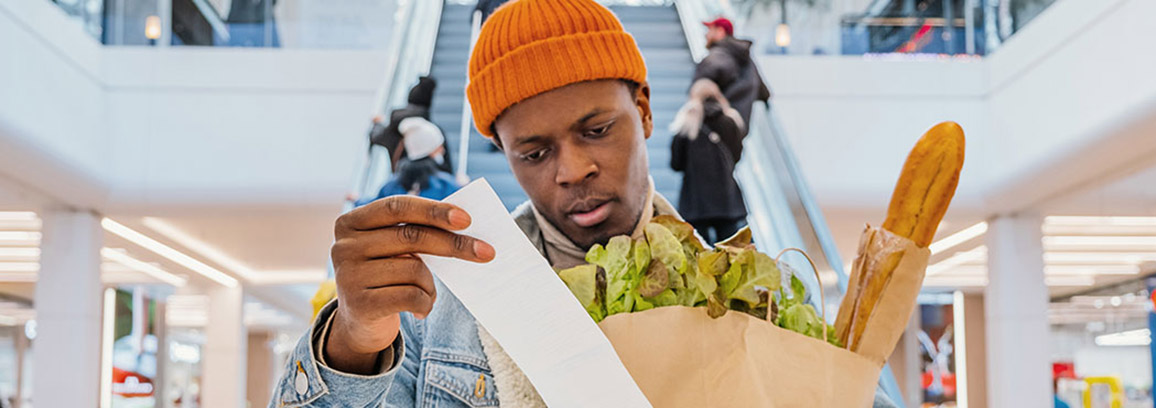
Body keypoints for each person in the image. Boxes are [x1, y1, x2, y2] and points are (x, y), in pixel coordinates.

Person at [271, 1, 899, 407]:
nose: (573, 171)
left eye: (597, 130)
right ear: (503, 152)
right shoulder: (434, 310)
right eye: (534, 153)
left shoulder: (760, 298)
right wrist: (351, 344)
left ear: (646, 111)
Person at [669, 78, 748, 245]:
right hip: (726, 198)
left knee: (699, 253)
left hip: (695, 200)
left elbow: (676, 163)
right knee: (731, 253)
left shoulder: (686, 123)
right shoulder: (731, 121)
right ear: (718, 94)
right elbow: (737, 157)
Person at [355, 117, 460, 206]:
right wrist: (463, 185)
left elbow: (374, 206)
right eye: (439, 147)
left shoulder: (392, 185)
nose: (443, 150)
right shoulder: (445, 185)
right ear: (430, 151)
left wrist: (357, 200)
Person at [694, 16, 771, 132]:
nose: (706, 35)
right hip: (739, 129)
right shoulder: (746, 60)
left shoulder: (716, 58)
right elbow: (763, 91)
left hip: (715, 130)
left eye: (710, 30)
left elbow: (699, 89)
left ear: (720, 31)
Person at [370, 76, 454, 174]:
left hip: (401, 182)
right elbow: (447, 169)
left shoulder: (394, 128)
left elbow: (376, 136)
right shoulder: (433, 132)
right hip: (430, 186)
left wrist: (378, 123)